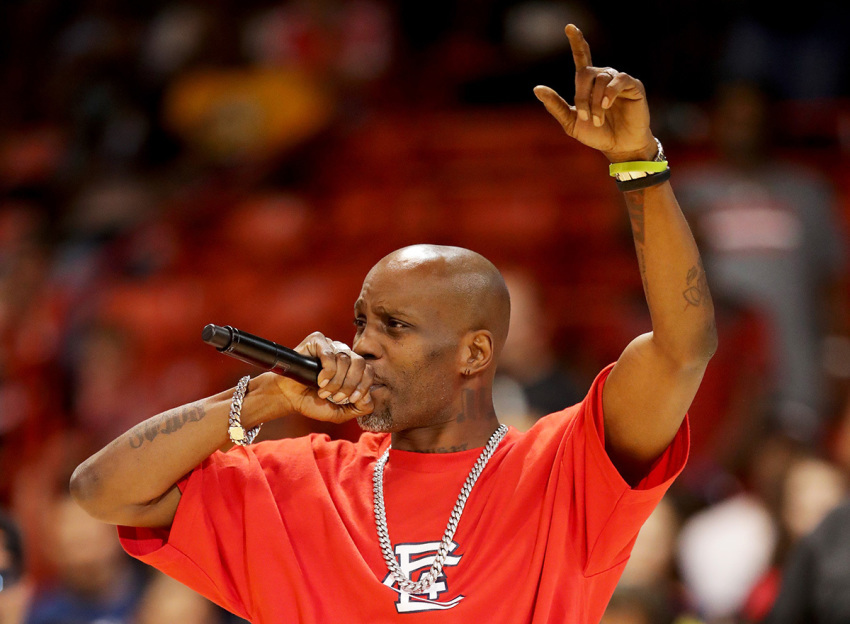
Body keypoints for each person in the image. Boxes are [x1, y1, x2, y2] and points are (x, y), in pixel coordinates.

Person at [69, 25, 716, 623]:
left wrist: (639, 164)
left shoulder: (563, 467)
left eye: (395, 326)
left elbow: (682, 350)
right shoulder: (297, 482)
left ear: (475, 352)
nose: (363, 345)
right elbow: (102, 491)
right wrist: (265, 395)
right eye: (360, 323)